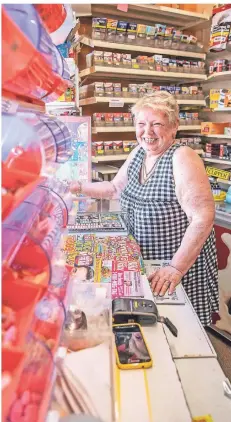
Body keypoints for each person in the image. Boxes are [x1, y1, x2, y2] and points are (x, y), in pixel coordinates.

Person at [71, 91, 219, 326]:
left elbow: (203, 217)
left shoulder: (182, 156)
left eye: (157, 124)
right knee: (150, 324)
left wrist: (175, 268)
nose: (147, 132)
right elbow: (113, 188)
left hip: (176, 264)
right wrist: (76, 186)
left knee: (182, 329)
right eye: (141, 124)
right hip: (147, 260)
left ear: (174, 127)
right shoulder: (140, 152)